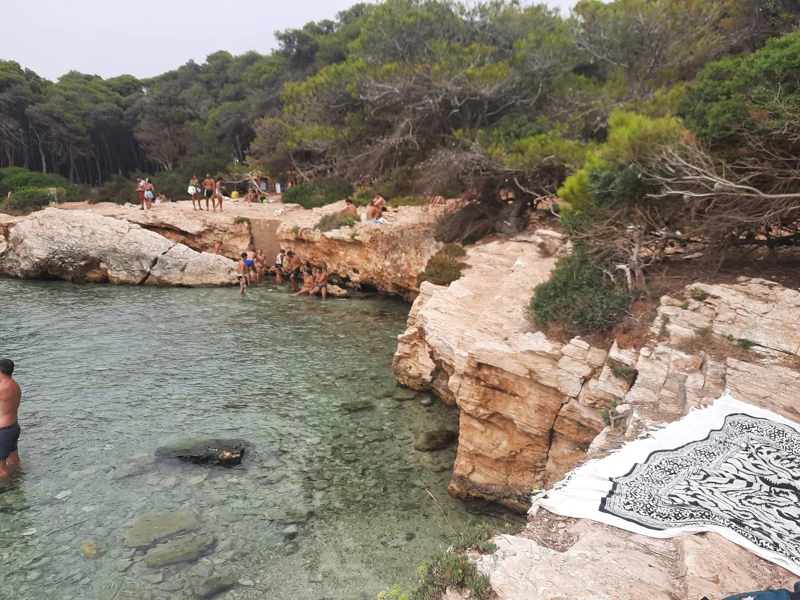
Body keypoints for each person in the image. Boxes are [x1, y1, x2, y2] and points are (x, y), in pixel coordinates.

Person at [0, 359, 22, 482]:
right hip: (13, 427)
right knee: (14, 460)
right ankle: (17, 480)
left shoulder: (2, 388)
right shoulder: (15, 385)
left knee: (0, 468)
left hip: (2, 432)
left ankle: (6, 493)